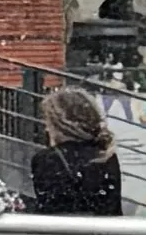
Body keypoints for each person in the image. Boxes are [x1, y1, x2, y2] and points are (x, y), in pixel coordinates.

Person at [26, 86, 124, 215]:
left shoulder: (48, 159)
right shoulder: (105, 154)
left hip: (67, 227)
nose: (46, 129)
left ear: (60, 125)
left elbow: (49, 210)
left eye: (48, 122)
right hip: (105, 227)